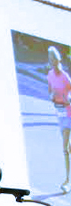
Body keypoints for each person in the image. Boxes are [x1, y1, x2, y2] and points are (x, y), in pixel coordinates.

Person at [47, 46, 71, 193]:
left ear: (58, 60)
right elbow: (50, 90)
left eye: (54, 59)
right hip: (60, 113)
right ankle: (67, 179)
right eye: (50, 59)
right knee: (66, 149)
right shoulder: (49, 75)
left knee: (66, 148)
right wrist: (52, 97)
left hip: (69, 112)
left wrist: (67, 99)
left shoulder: (65, 76)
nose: (52, 62)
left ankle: (67, 180)